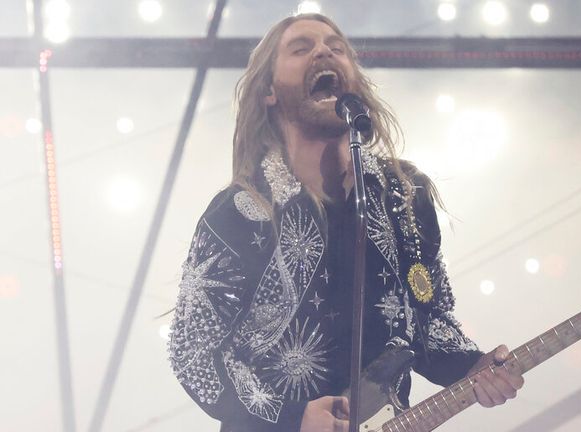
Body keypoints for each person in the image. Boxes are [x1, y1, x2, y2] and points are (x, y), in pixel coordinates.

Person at [168, 13, 523, 432]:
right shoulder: (241, 212)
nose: (324, 51)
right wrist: (291, 417)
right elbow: (193, 352)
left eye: (336, 48)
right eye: (302, 48)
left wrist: (473, 366)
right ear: (268, 91)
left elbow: (423, 322)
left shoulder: (404, 196)